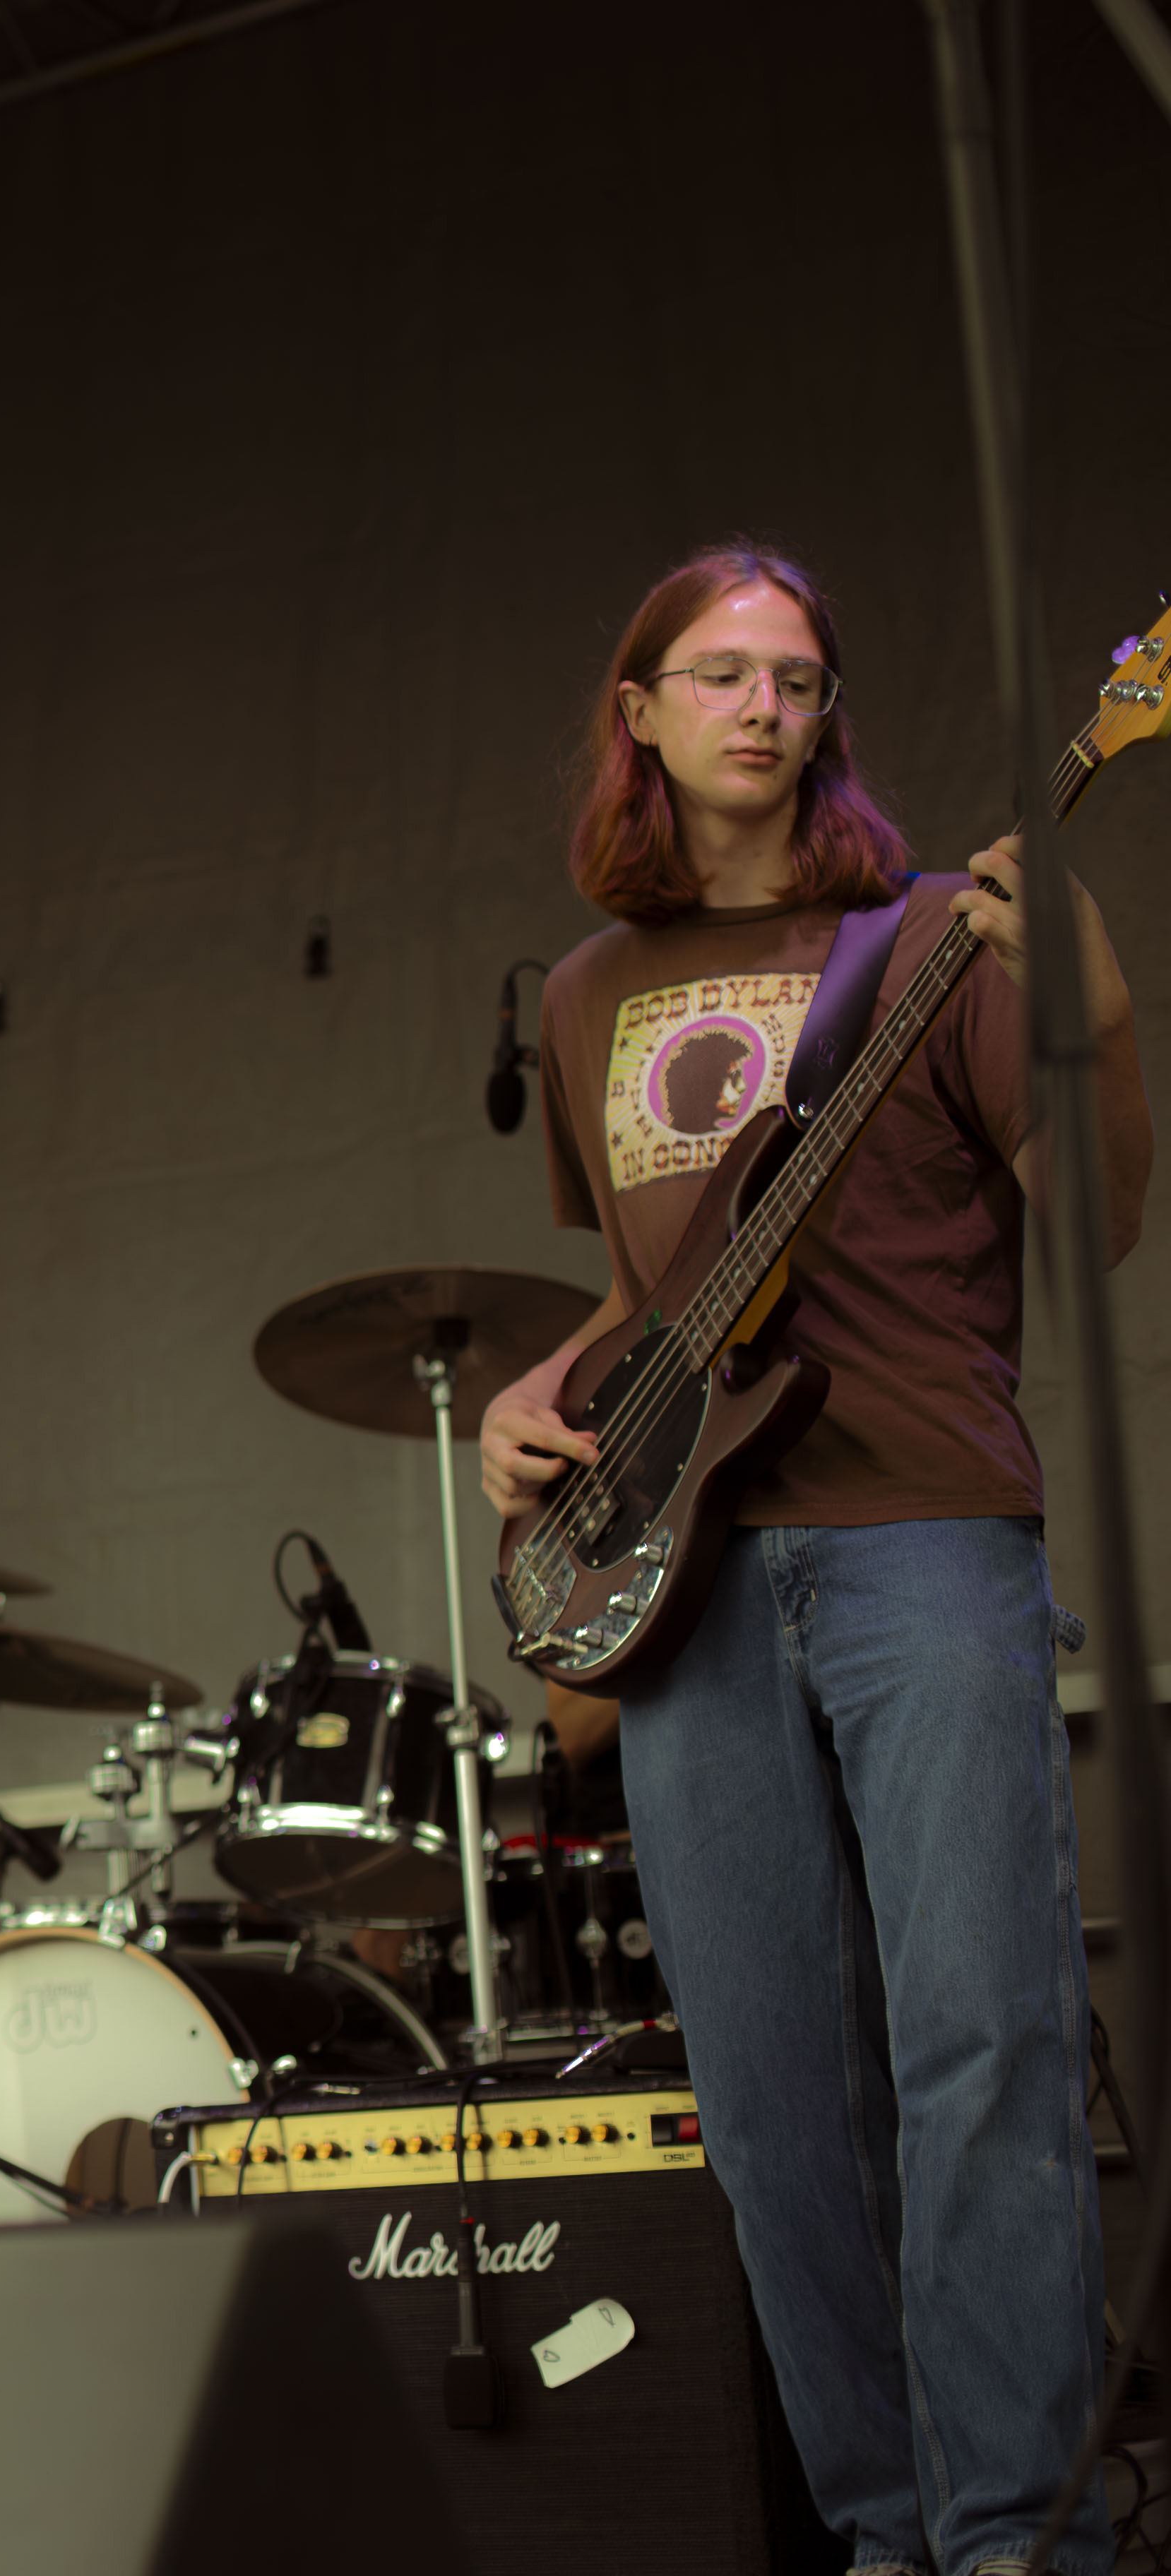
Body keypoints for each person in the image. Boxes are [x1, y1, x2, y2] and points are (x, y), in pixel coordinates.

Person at [480, 544, 1149, 2576]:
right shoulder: (590, 992)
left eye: (800, 677)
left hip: (922, 1523)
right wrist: (546, 1390)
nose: (767, 704)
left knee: (982, 2047)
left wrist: (1099, 1014)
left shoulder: (940, 931)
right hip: (691, 1585)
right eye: (724, 673)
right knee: (773, 2103)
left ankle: (1014, 2535)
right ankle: (882, 2533)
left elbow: (1095, 1223)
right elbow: (652, 1296)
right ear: (645, 714)